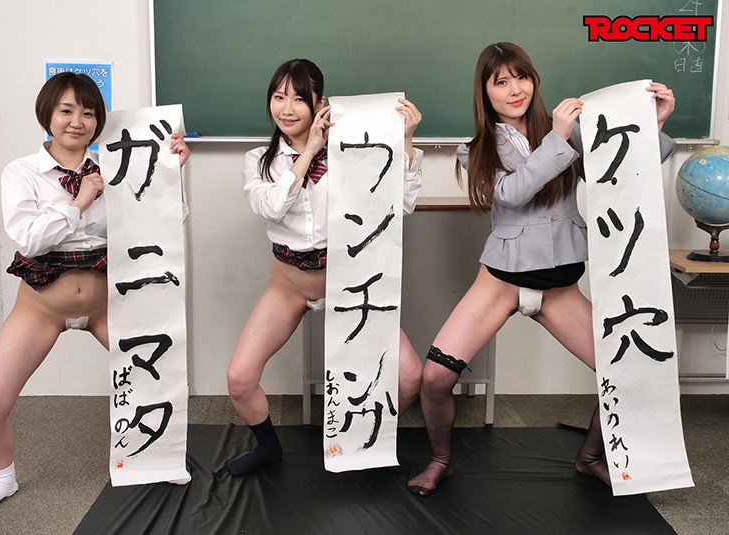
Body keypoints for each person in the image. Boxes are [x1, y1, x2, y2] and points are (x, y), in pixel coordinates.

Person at [407, 42, 676, 496]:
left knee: (627, 371)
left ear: (534, 80)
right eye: (501, 81)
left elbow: (620, 173)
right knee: (435, 378)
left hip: (559, 287)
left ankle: (590, 457)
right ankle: (440, 460)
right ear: (485, 92)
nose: (515, 89)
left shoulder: (567, 131)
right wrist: (558, 138)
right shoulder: (475, 149)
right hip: (501, 282)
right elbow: (511, 194)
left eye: (522, 77)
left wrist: (654, 125)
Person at [0, 72, 191, 515]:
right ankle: (2, 480)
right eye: (66, 110)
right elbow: (30, 240)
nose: (77, 121)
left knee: (161, 381)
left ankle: (160, 460)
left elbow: (161, 223)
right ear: (47, 114)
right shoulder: (22, 172)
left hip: (108, 305)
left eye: (88, 113)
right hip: (41, 308)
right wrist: (81, 200)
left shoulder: (118, 164)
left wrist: (168, 175)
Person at [226, 58, 424, 476]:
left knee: (409, 376)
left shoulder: (353, 151)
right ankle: (268, 447)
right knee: (240, 379)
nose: (287, 109)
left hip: (349, 282)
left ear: (320, 104)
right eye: (278, 97)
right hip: (288, 286)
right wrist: (311, 150)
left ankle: (367, 438)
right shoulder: (259, 159)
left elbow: (401, 207)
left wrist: (405, 142)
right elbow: (271, 207)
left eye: (299, 99)